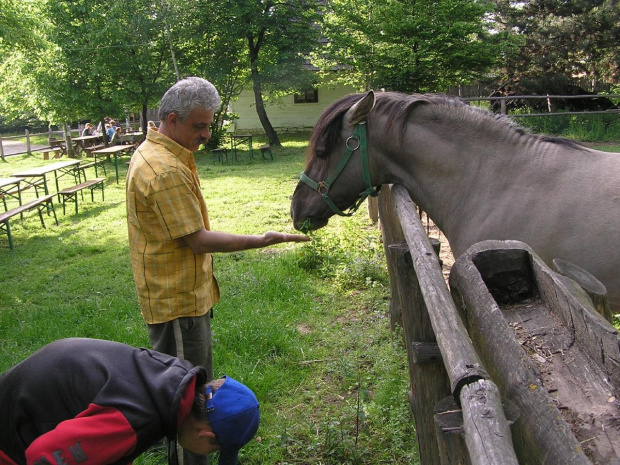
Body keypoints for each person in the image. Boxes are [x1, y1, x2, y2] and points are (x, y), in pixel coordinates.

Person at [126, 76, 308, 465]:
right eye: (199, 126)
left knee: (191, 388)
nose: (207, 134)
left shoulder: (161, 152)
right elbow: (198, 240)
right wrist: (261, 239)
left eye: (209, 124)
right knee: (186, 399)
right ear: (172, 119)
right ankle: (191, 457)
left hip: (182, 294)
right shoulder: (164, 169)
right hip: (176, 302)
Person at [0, 338, 259, 465]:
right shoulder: (136, 419)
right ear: (204, 435)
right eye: (215, 451)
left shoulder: (174, 379)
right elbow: (42, 458)